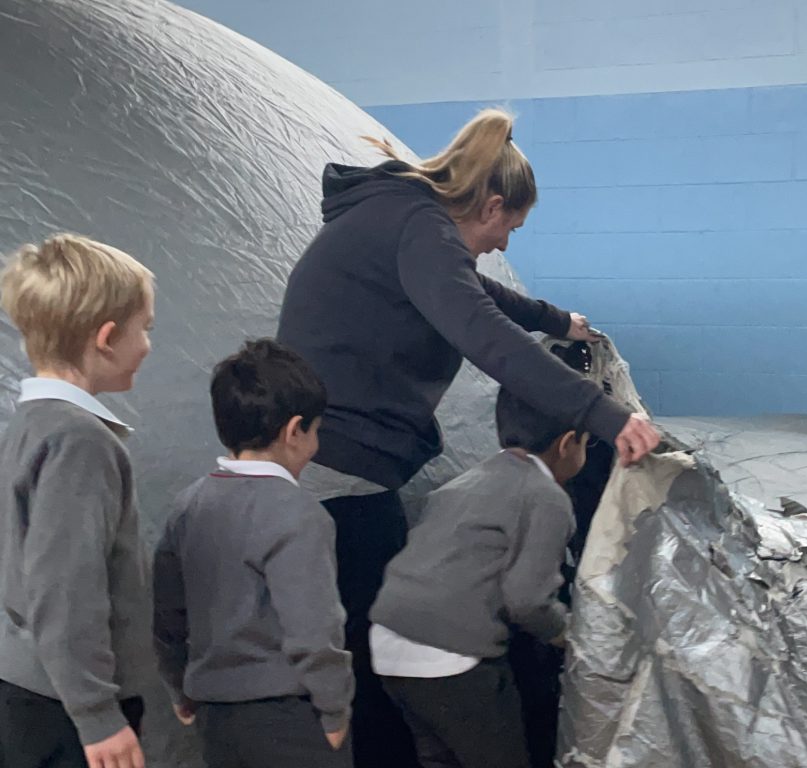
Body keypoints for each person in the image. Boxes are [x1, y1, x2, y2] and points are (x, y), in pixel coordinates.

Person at [276, 106, 660, 767]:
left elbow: (474, 293)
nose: (506, 243)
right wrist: (607, 418)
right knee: (363, 666)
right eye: (511, 224)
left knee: (373, 650)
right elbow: (482, 332)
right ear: (488, 203)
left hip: (341, 454)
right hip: (341, 463)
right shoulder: (417, 223)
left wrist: (556, 320)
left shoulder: (399, 213)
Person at [152, 339, 354, 768]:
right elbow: (315, 629)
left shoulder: (188, 504)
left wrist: (179, 687)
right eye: (316, 431)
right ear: (294, 430)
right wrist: (336, 708)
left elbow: (167, 615)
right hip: (290, 721)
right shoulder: (299, 512)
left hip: (215, 720)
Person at [369, 386, 585, 768]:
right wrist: (569, 635)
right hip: (450, 661)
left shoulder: (465, 481)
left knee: (439, 758)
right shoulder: (547, 497)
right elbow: (527, 601)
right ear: (568, 443)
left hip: (387, 646)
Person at [0, 234, 155, 768]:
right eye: (146, 329)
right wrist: (97, 715)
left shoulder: (29, 426)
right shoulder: (81, 441)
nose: (148, 345)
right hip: (64, 708)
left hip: (28, 688)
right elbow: (64, 584)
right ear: (108, 337)